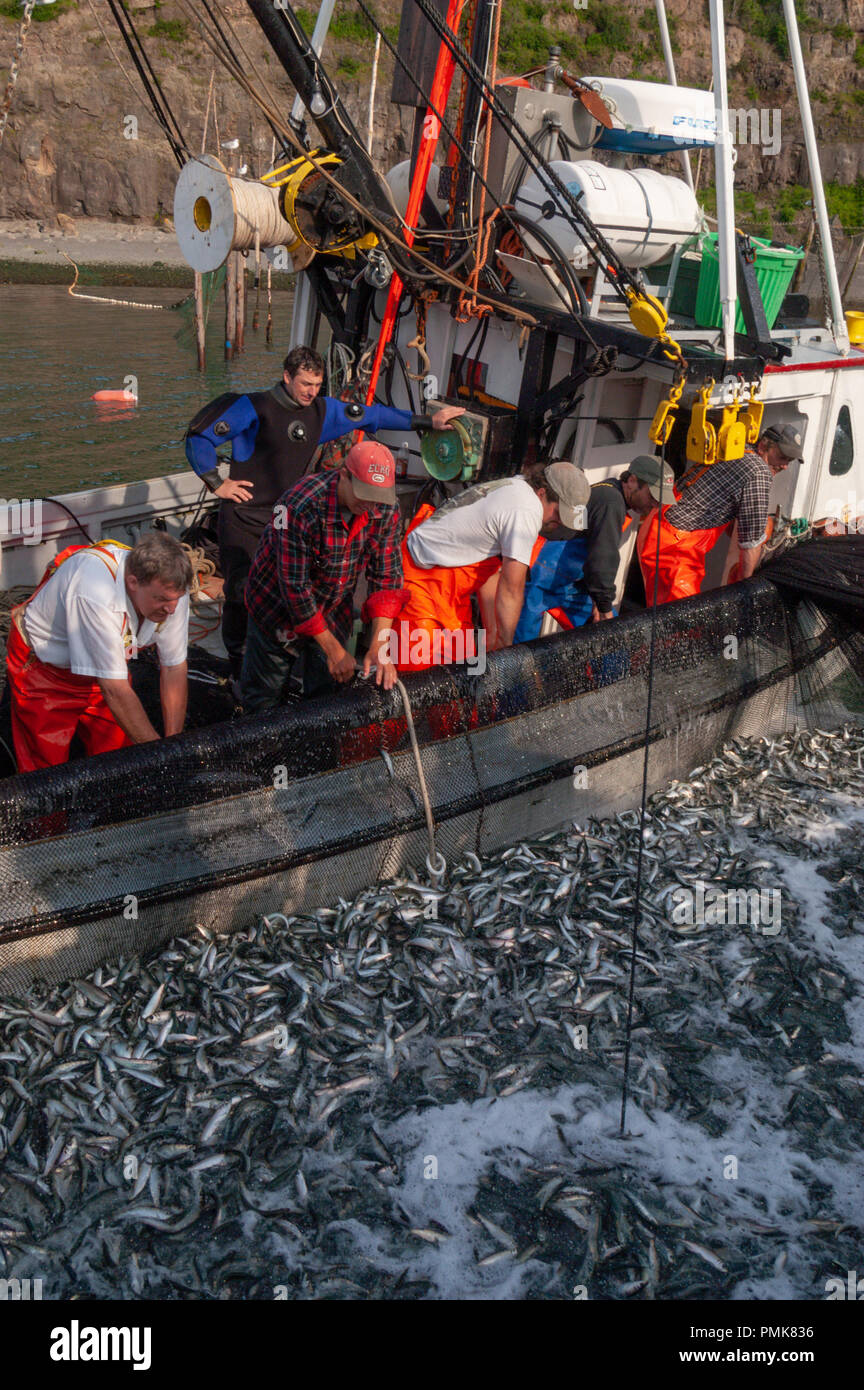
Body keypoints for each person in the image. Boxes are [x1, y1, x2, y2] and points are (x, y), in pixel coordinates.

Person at [184, 344, 463, 679]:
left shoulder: (322, 412)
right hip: (245, 517)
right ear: (287, 377)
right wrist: (217, 482)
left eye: (317, 385)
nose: (311, 392)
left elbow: (372, 414)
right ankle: (239, 663)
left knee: (284, 592)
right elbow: (199, 435)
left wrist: (426, 421)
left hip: (285, 518)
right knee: (242, 593)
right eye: (304, 384)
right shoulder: (254, 406)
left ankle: (285, 659)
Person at [241, 440, 406, 713]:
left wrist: (379, 642)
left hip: (333, 604)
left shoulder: (385, 507)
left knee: (328, 697)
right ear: (343, 474)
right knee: (264, 699)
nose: (369, 504)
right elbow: (295, 589)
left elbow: (387, 577)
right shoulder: (298, 506)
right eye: (363, 493)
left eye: (377, 496)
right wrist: (333, 651)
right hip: (277, 606)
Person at [6, 531, 191, 772]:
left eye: (176, 599)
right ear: (133, 582)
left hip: (107, 674)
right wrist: (159, 758)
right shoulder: (94, 592)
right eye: (161, 600)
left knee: (120, 757)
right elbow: (114, 690)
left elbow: (174, 666)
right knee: (45, 770)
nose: (172, 609)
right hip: (44, 671)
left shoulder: (172, 591)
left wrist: (172, 744)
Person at [396, 460, 590, 670]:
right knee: (420, 675)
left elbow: (489, 572)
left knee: (468, 666)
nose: (559, 522)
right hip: (419, 583)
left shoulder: (515, 487)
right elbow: (511, 588)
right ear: (542, 493)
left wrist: (493, 635)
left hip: (448, 589)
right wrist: (506, 650)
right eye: (559, 514)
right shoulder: (526, 511)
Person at [637, 423, 803, 605]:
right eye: (782, 457)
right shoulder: (759, 472)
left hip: (658, 528)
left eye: (790, 461)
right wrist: (746, 594)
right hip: (675, 548)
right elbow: (750, 543)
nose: (785, 466)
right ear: (763, 445)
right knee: (682, 623)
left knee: (661, 612)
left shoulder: (738, 450)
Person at [514, 456, 675, 641]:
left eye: (660, 501)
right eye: (653, 496)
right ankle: (479, 663)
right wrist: (604, 605)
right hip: (541, 579)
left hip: (565, 582)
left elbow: (595, 552)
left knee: (611, 641)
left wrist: (598, 598)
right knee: (519, 650)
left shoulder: (607, 493)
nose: (656, 505)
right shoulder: (611, 501)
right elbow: (602, 556)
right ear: (632, 481)